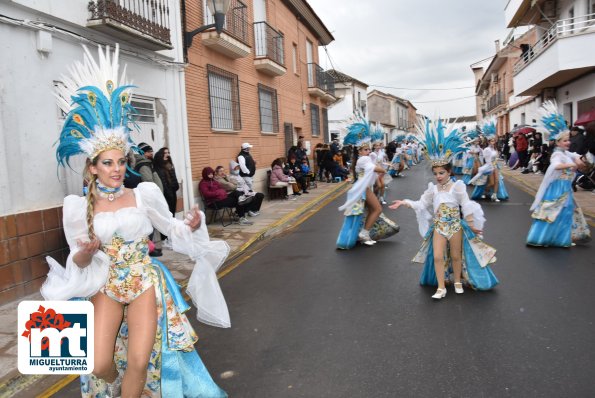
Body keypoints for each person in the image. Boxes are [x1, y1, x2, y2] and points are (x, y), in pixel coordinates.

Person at [41, 44, 229, 397]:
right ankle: (116, 385)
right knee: (98, 363)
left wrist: (188, 225)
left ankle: (135, 387)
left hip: (143, 280)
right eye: (108, 163)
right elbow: (78, 260)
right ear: (93, 167)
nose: (117, 169)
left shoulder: (143, 193)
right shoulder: (76, 207)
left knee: (140, 361)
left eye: (121, 161)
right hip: (103, 283)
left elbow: (170, 227)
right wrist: (86, 251)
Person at [389, 118, 498, 299]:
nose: (438, 176)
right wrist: (405, 202)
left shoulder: (458, 187)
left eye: (442, 173)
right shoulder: (433, 189)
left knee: (456, 256)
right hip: (439, 226)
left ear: (449, 172)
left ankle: (456, 281)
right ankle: (441, 287)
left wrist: (471, 226)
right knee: (438, 256)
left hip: (455, 225)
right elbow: (422, 204)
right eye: (436, 173)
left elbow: (466, 206)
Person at [527, 101, 591, 247]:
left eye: (569, 139)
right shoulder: (557, 154)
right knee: (555, 212)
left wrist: (579, 160)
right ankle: (545, 238)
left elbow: (574, 155)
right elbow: (555, 166)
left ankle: (562, 239)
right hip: (557, 188)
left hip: (565, 188)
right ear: (558, 142)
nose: (568, 142)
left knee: (566, 212)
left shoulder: (565, 152)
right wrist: (572, 164)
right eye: (565, 140)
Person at [337, 117, 393, 247]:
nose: (369, 151)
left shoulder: (365, 158)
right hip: (363, 189)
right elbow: (374, 168)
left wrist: (382, 165)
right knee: (377, 209)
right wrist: (384, 169)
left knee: (366, 212)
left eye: (369, 149)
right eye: (366, 149)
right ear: (360, 151)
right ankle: (364, 233)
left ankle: (359, 233)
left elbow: (374, 167)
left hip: (365, 187)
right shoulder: (363, 160)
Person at [469, 117, 509, 202]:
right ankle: (484, 191)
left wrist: (495, 163)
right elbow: (486, 160)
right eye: (491, 141)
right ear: (488, 141)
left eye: (494, 141)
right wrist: (490, 166)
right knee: (491, 182)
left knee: (497, 181)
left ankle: (494, 196)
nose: (493, 142)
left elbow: (496, 157)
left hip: (495, 166)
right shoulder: (487, 149)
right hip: (489, 166)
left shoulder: (495, 149)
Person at [153, 147, 179, 216]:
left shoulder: (169, 165)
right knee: (168, 213)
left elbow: (173, 178)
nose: (167, 154)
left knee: (172, 212)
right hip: (165, 194)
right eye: (165, 153)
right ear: (160, 155)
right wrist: (168, 193)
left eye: (168, 153)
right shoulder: (158, 167)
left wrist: (176, 186)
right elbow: (163, 182)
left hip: (172, 192)